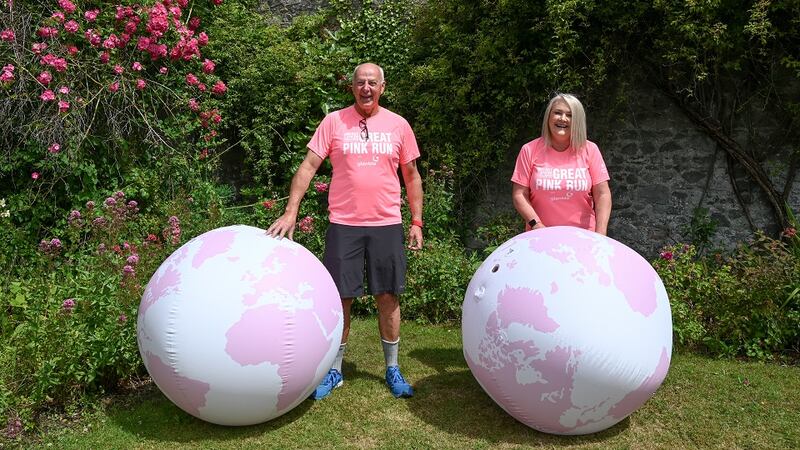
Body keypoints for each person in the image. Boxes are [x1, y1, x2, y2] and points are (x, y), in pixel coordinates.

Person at [267, 63, 423, 400]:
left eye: (372, 82)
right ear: (351, 87)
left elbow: (411, 176)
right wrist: (290, 211)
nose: (366, 88)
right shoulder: (333, 122)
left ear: (382, 87)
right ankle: (334, 370)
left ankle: (392, 369)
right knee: (340, 298)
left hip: (386, 225)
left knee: (388, 296)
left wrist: (416, 221)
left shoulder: (398, 125)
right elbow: (308, 167)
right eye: (360, 83)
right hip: (344, 225)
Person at [511, 93, 612, 234]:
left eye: (570, 115)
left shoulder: (590, 150)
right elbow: (519, 194)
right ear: (548, 116)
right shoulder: (529, 150)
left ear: (577, 121)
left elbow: (602, 194)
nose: (563, 119)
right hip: (540, 237)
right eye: (557, 112)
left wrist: (601, 234)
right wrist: (536, 225)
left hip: (584, 238)